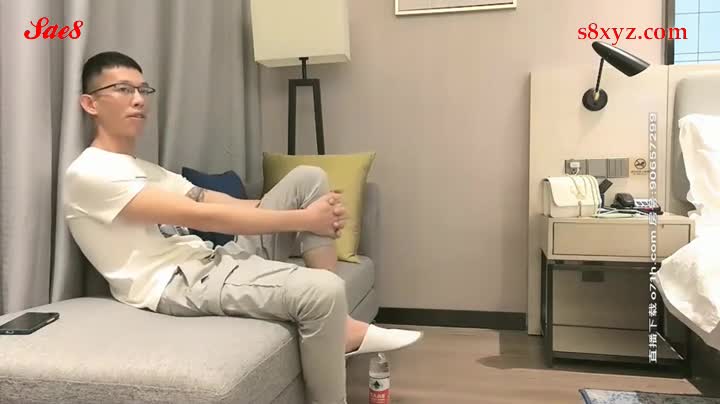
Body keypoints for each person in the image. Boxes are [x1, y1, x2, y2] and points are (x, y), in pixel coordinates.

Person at [63, 51, 422, 404]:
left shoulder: (144, 168)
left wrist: (309, 210)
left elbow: (215, 203)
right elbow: (201, 217)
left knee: (308, 178)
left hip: (209, 259)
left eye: (143, 90)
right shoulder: (90, 173)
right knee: (323, 290)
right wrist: (305, 219)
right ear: (90, 104)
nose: (139, 99)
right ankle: (334, 326)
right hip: (177, 283)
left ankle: (337, 324)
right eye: (123, 89)